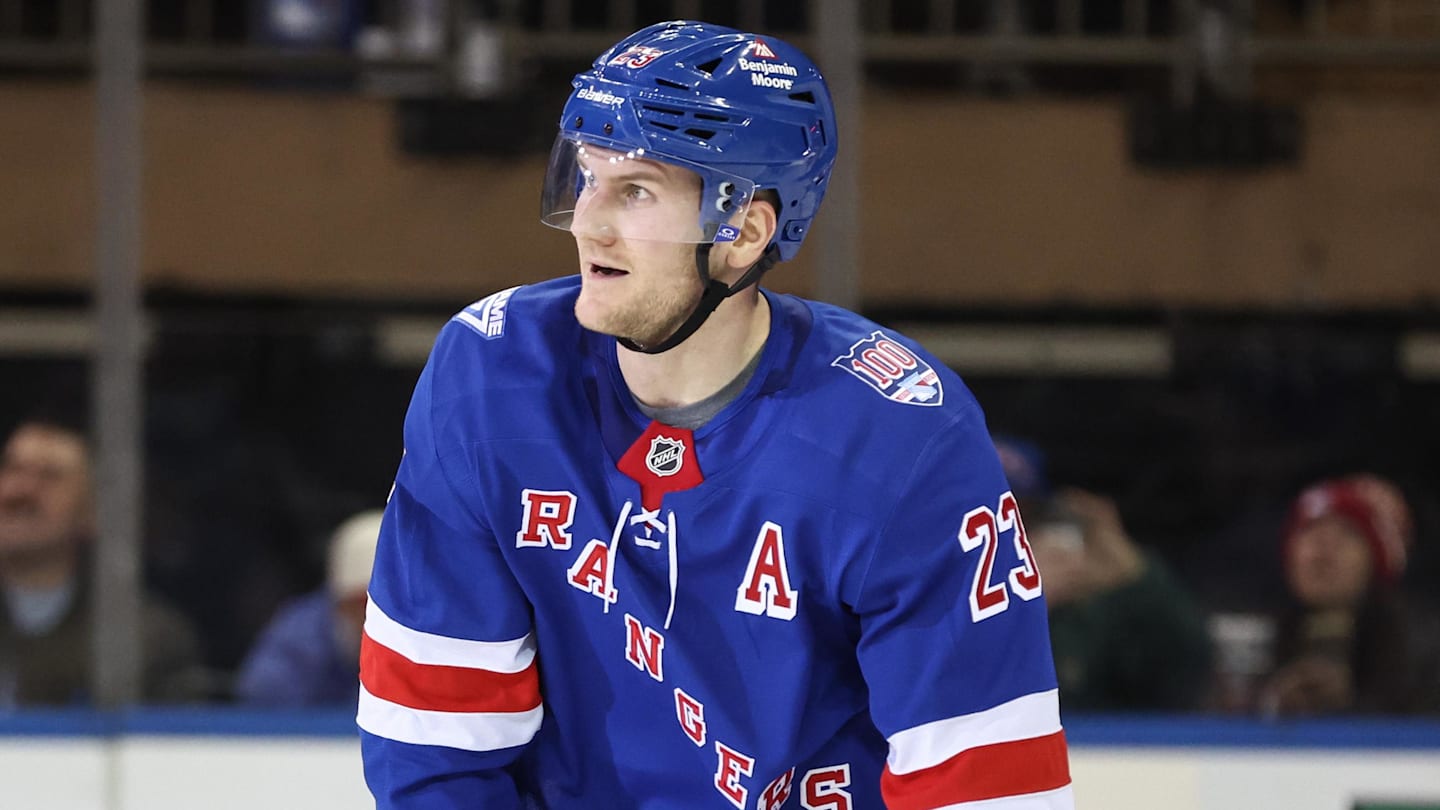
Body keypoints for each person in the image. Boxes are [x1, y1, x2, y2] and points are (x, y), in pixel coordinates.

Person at [358, 20, 1073, 809]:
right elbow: (434, 734)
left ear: (744, 231)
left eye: (635, 190)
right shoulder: (491, 377)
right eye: (584, 176)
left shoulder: (902, 439)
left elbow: (985, 780)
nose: (590, 222)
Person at [994, 436, 1214, 713]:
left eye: (1024, 518)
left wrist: (1135, 574)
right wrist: (1024, 606)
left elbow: (1186, 667)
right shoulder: (934, 594)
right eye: (998, 520)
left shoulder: (1080, 609)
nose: (1013, 534)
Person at [0, 414, 202, 708]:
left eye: (50, 476)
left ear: (91, 511)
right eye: (12, 468)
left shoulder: (143, 640)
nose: (21, 490)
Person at [1257, 475, 1440, 716]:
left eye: (1347, 533)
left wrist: (1350, 707)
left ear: (1377, 559)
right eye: (1310, 530)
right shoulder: (1264, 637)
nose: (1323, 548)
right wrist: (1274, 705)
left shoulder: (1421, 647)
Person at [234, 509, 382, 706]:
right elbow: (263, 701)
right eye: (367, 604)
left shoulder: (423, 635)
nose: (381, 617)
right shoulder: (298, 640)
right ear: (341, 602)